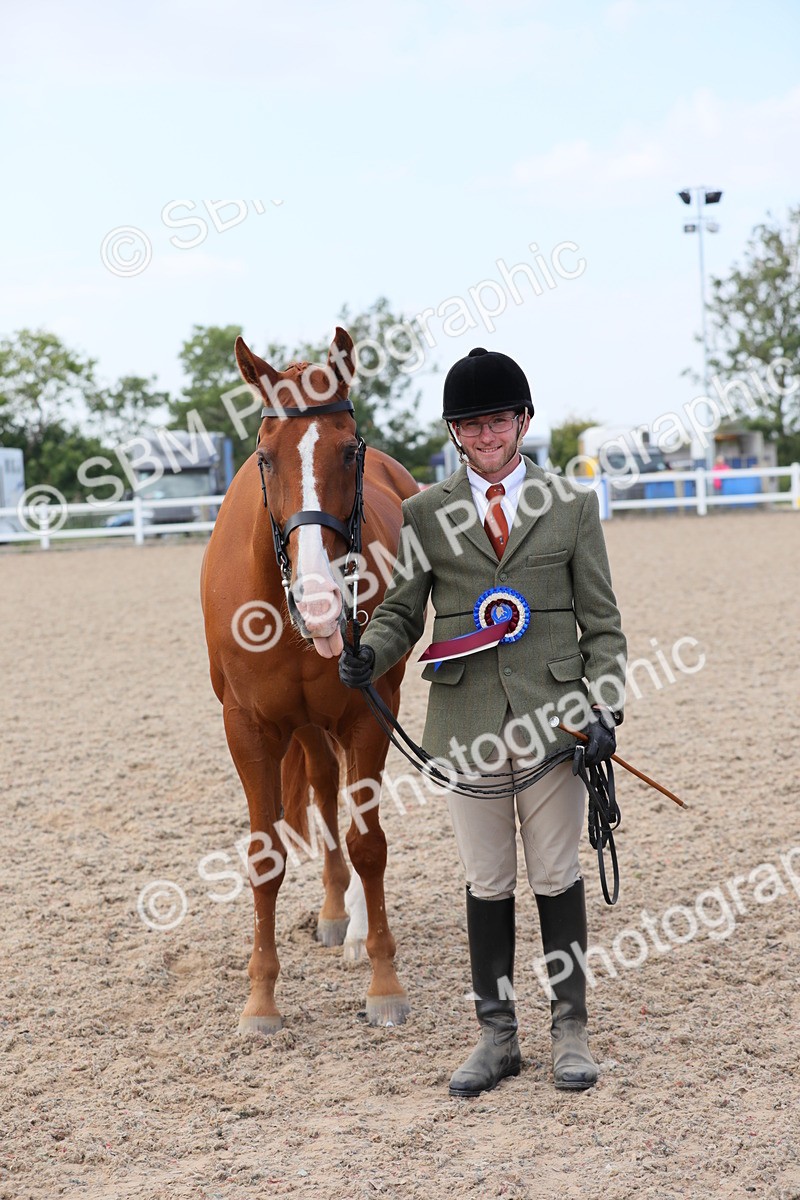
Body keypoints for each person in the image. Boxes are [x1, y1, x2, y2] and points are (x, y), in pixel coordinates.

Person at [339, 347, 626, 1097]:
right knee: (487, 880)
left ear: (524, 421)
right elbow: (404, 610)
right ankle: (497, 1037)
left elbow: (603, 624)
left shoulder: (570, 505)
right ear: (456, 432)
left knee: (558, 876)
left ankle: (571, 1028)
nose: (486, 434)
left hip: (555, 723)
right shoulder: (426, 514)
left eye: (498, 419)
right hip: (468, 722)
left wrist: (604, 706)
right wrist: (370, 652)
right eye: (471, 423)